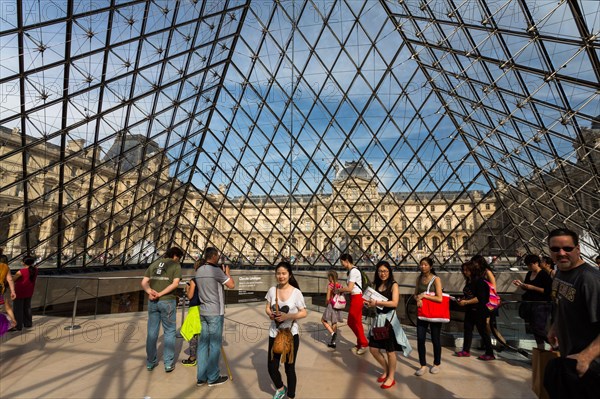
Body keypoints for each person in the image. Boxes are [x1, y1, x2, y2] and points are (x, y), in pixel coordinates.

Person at [543, 228, 600, 399]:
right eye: (555, 249)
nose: (561, 253)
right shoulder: (560, 272)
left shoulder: (590, 280)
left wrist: (586, 356)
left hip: (591, 367)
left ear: (578, 248)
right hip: (572, 359)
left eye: (567, 248)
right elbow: (562, 303)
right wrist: (555, 326)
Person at [365, 260, 412, 389]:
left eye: (385, 271)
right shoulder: (377, 285)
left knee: (390, 351)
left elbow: (394, 303)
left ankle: (391, 377)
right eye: (380, 271)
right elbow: (376, 304)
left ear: (389, 272)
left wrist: (377, 303)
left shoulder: (394, 285)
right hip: (379, 320)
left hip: (389, 322)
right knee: (373, 349)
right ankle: (386, 369)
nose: (382, 273)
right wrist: (370, 304)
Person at [265, 261, 307, 399]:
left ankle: (291, 395)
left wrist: (288, 316)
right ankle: (281, 388)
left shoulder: (296, 293)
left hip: (290, 333)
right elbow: (267, 307)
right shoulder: (272, 290)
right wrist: (270, 314)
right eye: (278, 273)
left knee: (289, 367)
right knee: (271, 366)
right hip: (274, 332)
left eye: (284, 273)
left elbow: (303, 312)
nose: (281, 276)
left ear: (289, 274)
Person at [196, 247, 235, 387]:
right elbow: (231, 285)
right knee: (214, 345)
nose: (218, 257)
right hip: (215, 312)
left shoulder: (199, 270)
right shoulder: (216, 271)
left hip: (203, 312)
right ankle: (213, 377)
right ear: (213, 256)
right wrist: (228, 273)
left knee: (202, 345)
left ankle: (201, 377)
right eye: (217, 255)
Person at [140, 247, 183, 372]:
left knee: (152, 333)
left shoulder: (154, 264)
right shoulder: (175, 265)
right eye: (179, 258)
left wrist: (150, 292)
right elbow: (175, 284)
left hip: (153, 302)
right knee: (169, 332)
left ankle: (150, 362)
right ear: (175, 255)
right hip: (168, 301)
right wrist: (160, 293)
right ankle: (168, 363)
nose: (179, 260)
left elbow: (144, 282)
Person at [456, 261, 495, 360]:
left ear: (473, 270)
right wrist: (463, 299)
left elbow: (480, 298)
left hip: (479, 310)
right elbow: (470, 294)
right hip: (470, 309)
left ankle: (490, 353)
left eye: (467, 270)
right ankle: (466, 350)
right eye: (463, 270)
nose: (465, 272)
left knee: (483, 331)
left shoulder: (480, 281)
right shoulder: (469, 281)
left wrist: (465, 302)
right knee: (467, 329)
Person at [512, 254, 552, 349]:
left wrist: (533, 287)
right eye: (528, 265)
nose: (529, 267)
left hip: (541, 305)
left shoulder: (544, 274)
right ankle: (540, 349)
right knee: (533, 327)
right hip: (530, 304)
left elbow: (548, 291)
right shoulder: (529, 274)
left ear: (536, 263)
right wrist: (521, 285)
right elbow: (527, 287)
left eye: (530, 265)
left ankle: (554, 343)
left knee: (538, 327)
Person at [414, 257, 443, 376]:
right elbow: (416, 294)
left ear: (430, 266)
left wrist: (424, 296)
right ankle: (423, 365)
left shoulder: (436, 279)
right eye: (421, 265)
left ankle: (436, 363)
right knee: (420, 339)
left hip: (434, 313)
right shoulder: (419, 278)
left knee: (435, 339)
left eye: (425, 265)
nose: (423, 267)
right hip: (422, 312)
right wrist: (417, 299)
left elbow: (439, 298)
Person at [338, 254, 369, 355]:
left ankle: (363, 343)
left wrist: (339, 289)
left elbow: (350, 288)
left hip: (357, 298)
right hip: (355, 297)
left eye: (342, 261)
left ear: (346, 260)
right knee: (356, 322)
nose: (341, 264)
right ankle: (360, 343)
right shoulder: (352, 271)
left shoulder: (353, 271)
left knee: (352, 322)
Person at [181, 257, 205, 366]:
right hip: (205, 308)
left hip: (195, 309)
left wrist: (187, 288)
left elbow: (190, 296)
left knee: (193, 334)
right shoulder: (208, 280)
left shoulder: (193, 281)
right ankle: (205, 356)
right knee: (204, 333)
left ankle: (192, 357)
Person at [12, 255, 38, 331]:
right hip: (29, 291)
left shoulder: (20, 272)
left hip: (19, 292)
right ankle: (28, 323)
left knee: (18, 309)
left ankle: (18, 326)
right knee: (27, 308)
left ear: (24, 262)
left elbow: (12, 280)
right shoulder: (35, 270)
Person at [321, 270, 343, 349]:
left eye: (328, 277)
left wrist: (326, 303)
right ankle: (333, 342)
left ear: (330, 277)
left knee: (323, 320)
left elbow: (327, 298)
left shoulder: (330, 285)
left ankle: (332, 333)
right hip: (338, 306)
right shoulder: (340, 286)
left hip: (331, 305)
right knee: (334, 322)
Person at [0, 254, 17, 329]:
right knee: (7, 306)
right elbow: (10, 279)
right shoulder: (6, 268)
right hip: (1, 290)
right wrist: (13, 291)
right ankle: (13, 321)